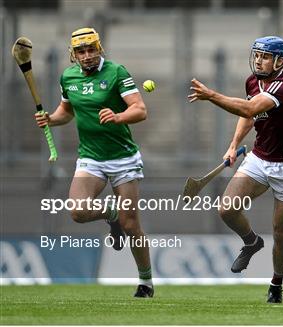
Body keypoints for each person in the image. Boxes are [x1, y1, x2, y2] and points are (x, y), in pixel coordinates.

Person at [188, 36, 283, 304]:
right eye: (256, 55)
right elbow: (249, 116)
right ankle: (252, 241)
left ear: (279, 61)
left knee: (280, 232)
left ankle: (276, 283)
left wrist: (211, 95)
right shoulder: (252, 81)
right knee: (227, 209)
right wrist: (233, 145)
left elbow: (250, 107)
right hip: (259, 158)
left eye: (265, 56)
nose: (258, 60)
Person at [34, 27, 154, 298]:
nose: (87, 55)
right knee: (77, 211)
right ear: (73, 54)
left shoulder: (116, 72)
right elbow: (67, 112)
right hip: (91, 157)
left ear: (99, 48)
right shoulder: (68, 76)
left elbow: (140, 109)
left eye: (91, 49)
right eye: (81, 51)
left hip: (124, 158)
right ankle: (111, 215)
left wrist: (118, 116)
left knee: (131, 223)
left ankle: (145, 281)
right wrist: (51, 119)